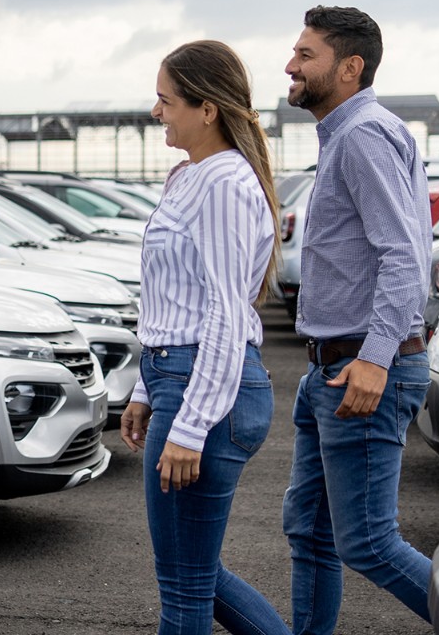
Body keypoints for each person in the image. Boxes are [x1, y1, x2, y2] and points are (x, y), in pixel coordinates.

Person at [121, 40, 289, 635]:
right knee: (194, 575)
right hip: (179, 377)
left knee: (186, 591)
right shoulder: (190, 176)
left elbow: (223, 311)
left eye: (166, 100)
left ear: (207, 108)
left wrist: (190, 426)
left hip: (203, 388)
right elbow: (173, 300)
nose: (156, 112)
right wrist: (145, 386)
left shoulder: (223, 183)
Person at [280, 6, 433, 635]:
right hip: (331, 367)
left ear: (350, 67)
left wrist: (374, 357)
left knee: (367, 542)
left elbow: (405, 253)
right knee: (309, 531)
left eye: (305, 55)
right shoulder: (346, 135)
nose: (290, 66)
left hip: (364, 368)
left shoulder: (364, 134)